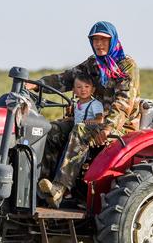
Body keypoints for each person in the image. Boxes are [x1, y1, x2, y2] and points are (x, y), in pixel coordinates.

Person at [28, 21, 140, 208]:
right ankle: (41, 186)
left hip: (120, 126)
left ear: (113, 41)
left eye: (104, 40)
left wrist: (109, 126)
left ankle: (60, 188)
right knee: (53, 129)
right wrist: (36, 84)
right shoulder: (93, 64)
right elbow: (66, 78)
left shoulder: (126, 66)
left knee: (80, 129)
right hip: (93, 118)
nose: (99, 44)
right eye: (95, 40)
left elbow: (123, 102)